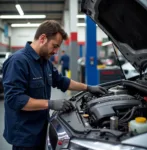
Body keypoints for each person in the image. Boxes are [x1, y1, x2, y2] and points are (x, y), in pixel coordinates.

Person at [2, 20, 107, 150]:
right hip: (25, 135)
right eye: (55, 46)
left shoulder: (45, 62)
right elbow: (14, 99)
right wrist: (50, 104)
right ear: (42, 38)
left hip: (41, 130)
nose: (56, 51)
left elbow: (61, 81)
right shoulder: (18, 62)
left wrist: (88, 88)